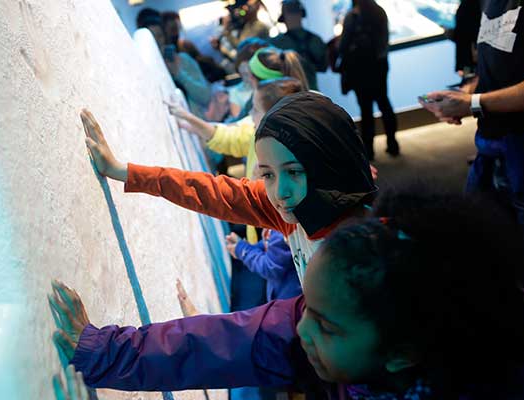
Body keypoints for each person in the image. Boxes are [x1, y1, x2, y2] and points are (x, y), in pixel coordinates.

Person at [49, 188, 524, 398]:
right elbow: (222, 340)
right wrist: (102, 348)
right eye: (306, 306)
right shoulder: (345, 307)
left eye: (325, 325)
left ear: (403, 353)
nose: (301, 328)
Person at [82, 90, 375, 284]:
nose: (279, 193)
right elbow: (209, 191)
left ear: (327, 165)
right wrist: (125, 172)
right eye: (268, 174)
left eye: (294, 172)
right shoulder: (296, 210)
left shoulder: (360, 250)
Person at [419, 0, 524, 318]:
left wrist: (474, 102)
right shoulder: (488, 2)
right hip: (494, 156)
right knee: (483, 260)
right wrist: (465, 95)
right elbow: (501, 70)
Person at [337, 0, 399, 160]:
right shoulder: (379, 12)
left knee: (365, 109)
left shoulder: (352, 16)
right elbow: (384, 42)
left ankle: (369, 150)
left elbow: (343, 45)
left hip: (359, 68)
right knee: (384, 103)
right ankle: (392, 143)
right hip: (379, 66)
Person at [136, 8, 211, 119]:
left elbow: (206, 97)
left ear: (165, 37)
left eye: (159, 36)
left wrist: (179, 74)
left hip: (196, 127)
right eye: (152, 38)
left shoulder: (183, 60)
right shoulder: (142, 70)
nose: (156, 41)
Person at [226, 227, 301, 301]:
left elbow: (271, 267)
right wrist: (249, 248)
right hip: (280, 292)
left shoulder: (280, 232)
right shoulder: (276, 228)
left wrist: (243, 250)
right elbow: (270, 243)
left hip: (289, 300)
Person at [270, 0, 328, 91]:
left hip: (287, 96)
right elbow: (323, 67)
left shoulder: (275, 43)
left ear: (283, 18)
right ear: (302, 14)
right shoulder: (316, 40)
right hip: (313, 93)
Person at [160, 11, 227, 83]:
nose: (176, 33)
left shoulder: (186, 45)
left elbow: (204, 61)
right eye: (172, 29)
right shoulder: (163, 54)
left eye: (177, 28)